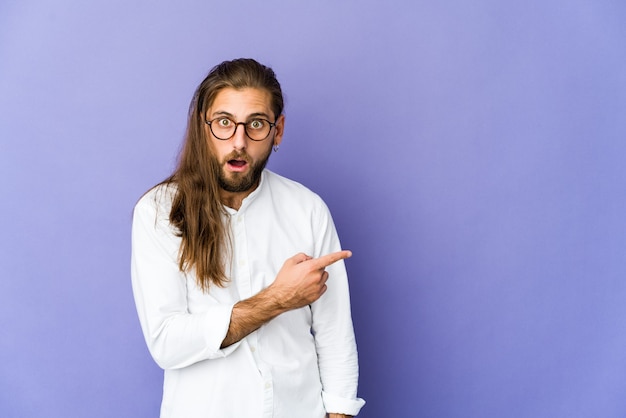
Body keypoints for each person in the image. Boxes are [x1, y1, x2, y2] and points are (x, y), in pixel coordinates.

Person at [131, 58, 365, 418]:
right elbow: (167, 342)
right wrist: (277, 298)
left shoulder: (308, 209)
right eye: (224, 122)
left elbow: (336, 336)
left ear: (278, 130)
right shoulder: (158, 212)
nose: (239, 142)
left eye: (256, 124)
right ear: (202, 126)